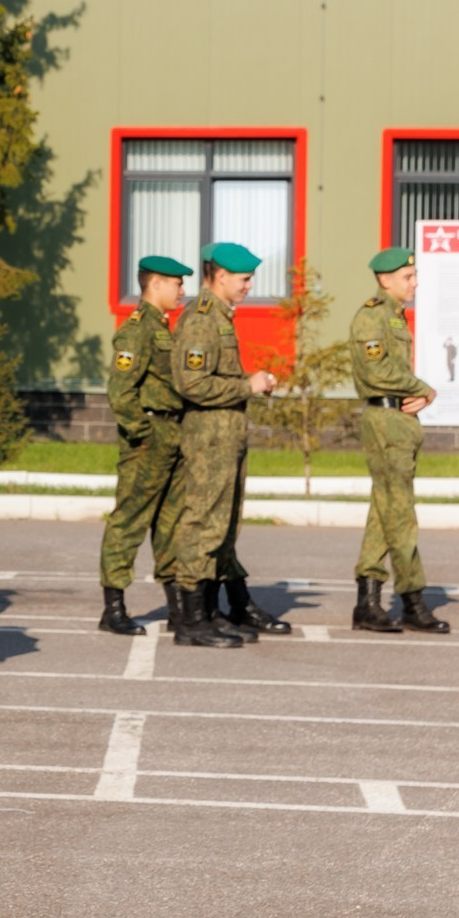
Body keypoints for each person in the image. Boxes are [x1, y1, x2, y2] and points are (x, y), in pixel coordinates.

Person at [164, 242, 284, 648]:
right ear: (219, 276)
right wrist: (245, 385)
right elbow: (191, 383)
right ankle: (190, 620)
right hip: (209, 437)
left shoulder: (219, 318)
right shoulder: (199, 320)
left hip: (225, 435)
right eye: (244, 279)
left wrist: (251, 382)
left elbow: (215, 378)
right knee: (202, 524)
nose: (249, 286)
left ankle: (210, 612)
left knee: (222, 527)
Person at [349, 246, 444, 633]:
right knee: (400, 512)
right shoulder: (372, 317)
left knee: (384, 510)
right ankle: (412, 598)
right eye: (408, 277)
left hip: (398, 420)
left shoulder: (393, 317)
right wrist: (425, 388)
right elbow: (378, 371)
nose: (415, 282)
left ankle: (367, 602)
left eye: (415, 275)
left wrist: (418, 394)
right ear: (385, 280)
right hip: (385, 419)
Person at [97, 254, 191, 635]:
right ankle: (113, 607)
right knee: (130, 519)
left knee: (172, 523)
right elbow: (120, 390)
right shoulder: (136, 330)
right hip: (149, 436)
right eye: (177, 283)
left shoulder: (165, 328)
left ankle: (178, 605)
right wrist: (142, 431)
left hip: (173, 433)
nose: (182, 290)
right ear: (155, 284)